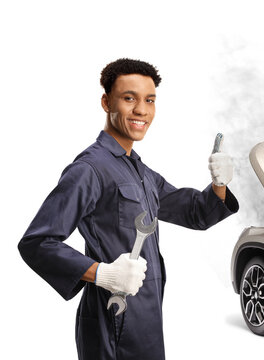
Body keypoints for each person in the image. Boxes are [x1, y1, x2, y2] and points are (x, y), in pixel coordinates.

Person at [18, 58, 239, 360]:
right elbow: (37, 243)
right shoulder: (89, 169)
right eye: (129, 98)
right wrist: (101, 273)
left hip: (147, 319)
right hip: (111, 321)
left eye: (149, 100)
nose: (142, 110)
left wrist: (219, 183)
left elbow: (195, 213)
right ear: (106, 102)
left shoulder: (140, 171)